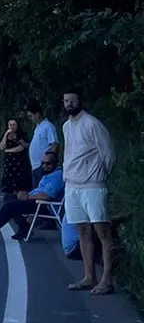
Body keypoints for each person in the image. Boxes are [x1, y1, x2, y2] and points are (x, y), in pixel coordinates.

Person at [60, 89, 116, 295]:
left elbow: (108, 154)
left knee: (103, 232)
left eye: (73, 100)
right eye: (66, 100)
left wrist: (98, 176)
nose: (69, 104)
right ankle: (89, 276)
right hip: (72, 185)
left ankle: (106, 280)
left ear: (80, 101)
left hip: (92, 185)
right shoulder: (66, 126)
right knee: (82, 231)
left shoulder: (92, 124)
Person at [0, 149, 63, 243]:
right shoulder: (48, 174)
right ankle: (24, 228)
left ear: (56, 163)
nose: (44, 166)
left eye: (48, 163)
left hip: (44, 205)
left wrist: (27, 196)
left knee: (10, 206)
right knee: (9, 197)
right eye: (43, 163)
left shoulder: (57, 176)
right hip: (35, 200)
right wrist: (23, 194)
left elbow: (47, 196)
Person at [0, 118, 33, 202]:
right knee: (10, 185)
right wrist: (6, 134)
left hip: (20, 163)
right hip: (9, 163)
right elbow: (1, 147)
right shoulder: (5, 135)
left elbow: (20, 148)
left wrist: (8, 151)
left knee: (21, 185)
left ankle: (20, 200)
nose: (12, 127)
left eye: (14, 125)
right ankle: (10, 200)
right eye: (10, 125)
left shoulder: (22, 135)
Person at [25, 99, 59, 178]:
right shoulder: (37, 127)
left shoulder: (48, 126)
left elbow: (55, 145)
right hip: (35, 167)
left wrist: (48, 163)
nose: (29, 118)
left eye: (30, 115)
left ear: (37, 114)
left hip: (43, 166)